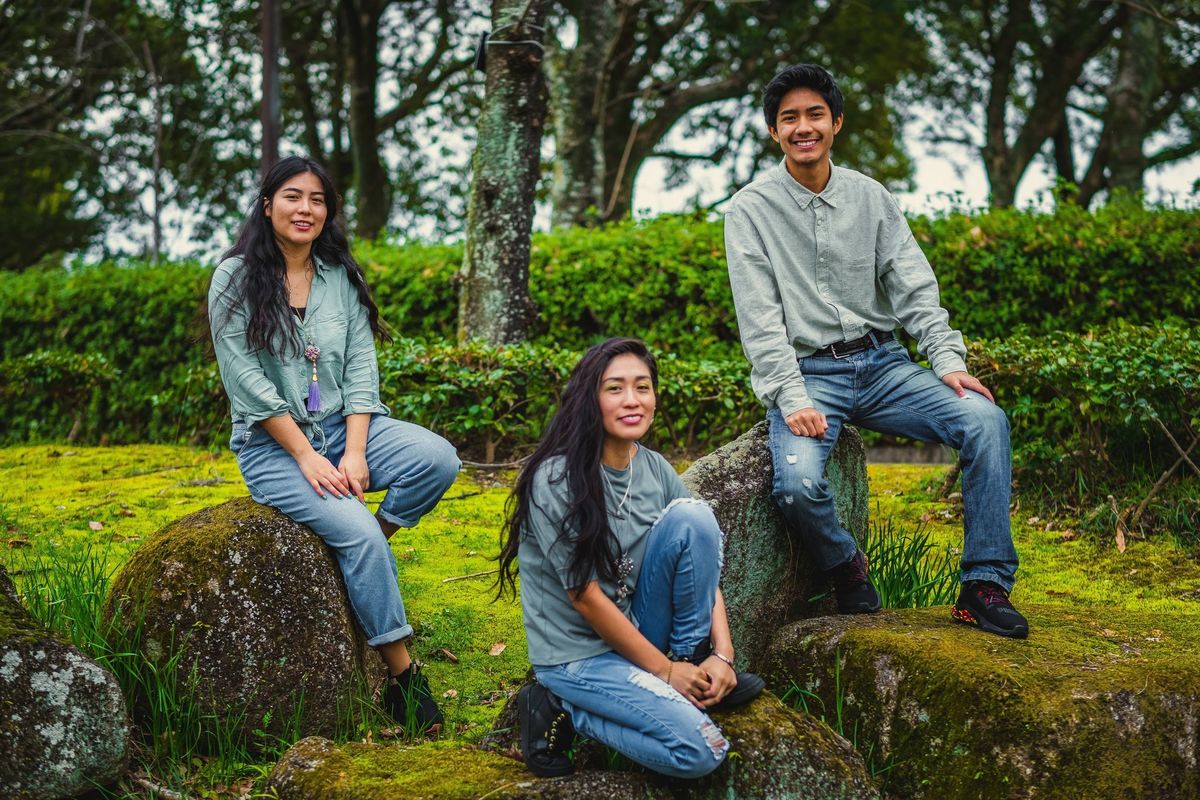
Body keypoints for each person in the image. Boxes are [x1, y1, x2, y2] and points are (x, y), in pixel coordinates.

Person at [724, 64, 1027, 639]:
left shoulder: (871, 197)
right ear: (774, 132)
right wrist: (790, 398)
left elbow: (915, 289)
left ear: (835, 122)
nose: (803, 127)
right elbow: (760, 320)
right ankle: (846, 564)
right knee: (796, 484)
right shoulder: (749, 210)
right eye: (789, 118)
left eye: (815, 114)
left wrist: (948, 362)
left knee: (985, 421)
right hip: (810, 374)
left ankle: (983, 586)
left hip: (883, 364)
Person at [208, 155, 461, 733]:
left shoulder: (340, 276)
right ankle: (403, 679)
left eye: (318, 199)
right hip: (275, 448)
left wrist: (353, 451)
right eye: (293, 196)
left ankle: (370, 549)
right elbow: (245, 379)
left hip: (346, 430)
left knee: (437, 459)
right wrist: (305, 455)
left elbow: (364, 368)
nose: (306, 209)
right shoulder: (235, 276)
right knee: (358, 531)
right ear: (267, 204)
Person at [496, 337, 765, 779]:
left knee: (694, 518)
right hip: (579, 655)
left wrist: (723, 655)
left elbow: (703, 563)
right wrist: (664, 672)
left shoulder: (655, 468)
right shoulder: (556, 478)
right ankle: (563, 705)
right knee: (703, 750)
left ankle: (691, 661)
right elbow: (584, 596)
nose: (632, 400)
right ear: (590, 399)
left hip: (637, 627)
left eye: (643, 387)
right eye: (615, 388)